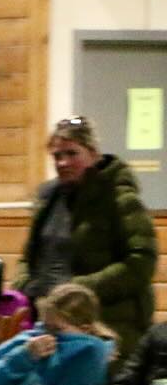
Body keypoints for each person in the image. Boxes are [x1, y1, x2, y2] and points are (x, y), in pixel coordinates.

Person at [15, 115, 157, 358]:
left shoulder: (120, 198)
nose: (63, 162)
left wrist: (79, 290)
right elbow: (28, 258)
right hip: (48, 323)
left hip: (107, 325)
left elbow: (141, 261)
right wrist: (24, 287)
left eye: (72, 153)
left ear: (93, 154)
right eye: (57, 156)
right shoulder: (48, 200)